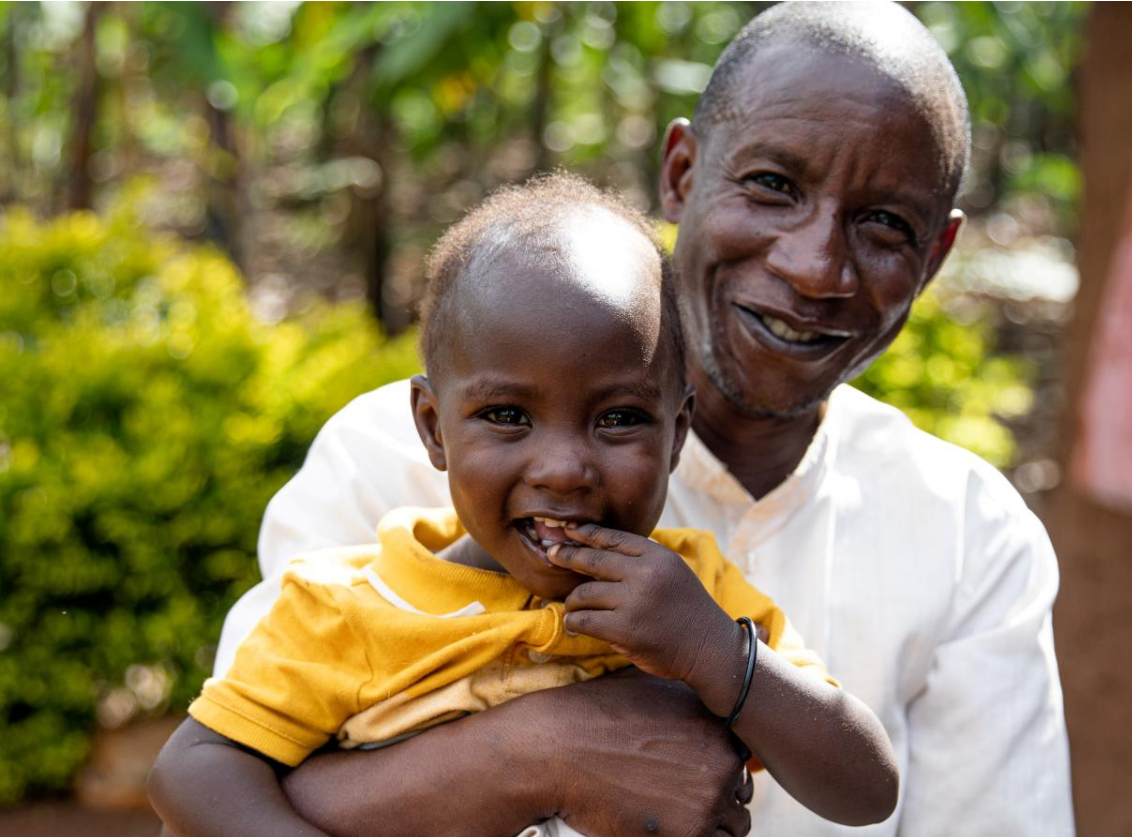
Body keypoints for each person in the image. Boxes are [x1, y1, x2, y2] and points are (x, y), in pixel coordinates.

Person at [205, 3, 1075, 836]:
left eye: (884, 223)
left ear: (936, 257)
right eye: (773, 185)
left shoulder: (972, 539)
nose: (815, 268)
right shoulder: (389, 466)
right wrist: (541, 755)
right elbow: (221, 789)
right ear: (682, 173)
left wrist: (722, 661)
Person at [148, 175, 900, 837]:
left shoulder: (693, 593)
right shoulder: (350, 606)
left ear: (677, 435)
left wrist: (713, 652)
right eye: (508, 415)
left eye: (618, 418)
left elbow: (865, 788)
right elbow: (193, 770)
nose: (565, 468)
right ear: (434, 428)